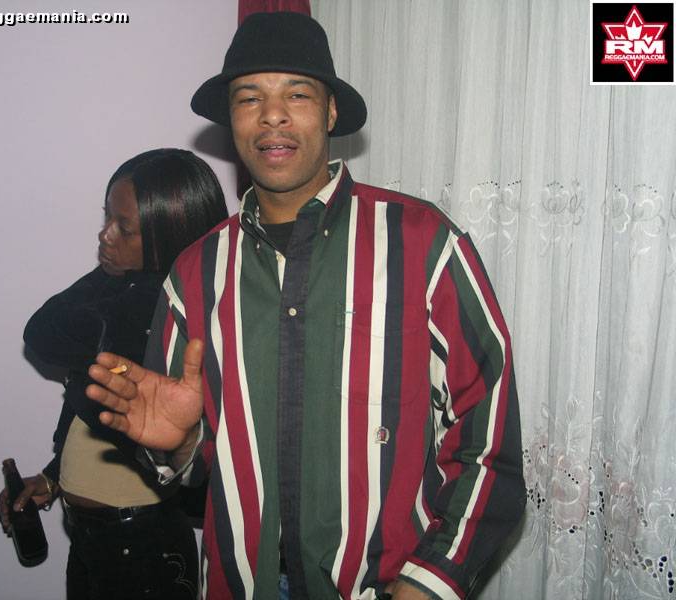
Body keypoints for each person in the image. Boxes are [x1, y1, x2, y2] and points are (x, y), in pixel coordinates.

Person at [87, 12, 525, 600]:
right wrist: (182, 444)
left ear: (331, 111)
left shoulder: (424, 245)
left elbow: (488, 447)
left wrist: (428, 584)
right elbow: (196, 469)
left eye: (297, 94)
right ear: (231, 120)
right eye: (250, 98)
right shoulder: (192, 275)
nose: (273, 115)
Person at [0, 148, 228, 600]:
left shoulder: (159, 315)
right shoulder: (129, 295)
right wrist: (53, 477)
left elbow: (41, 333)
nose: (104, 235)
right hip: (96, 537)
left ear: (168, 236)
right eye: (107, 217)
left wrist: (117, 275)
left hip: (139, 546)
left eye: (124, 227)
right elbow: (99, 418)